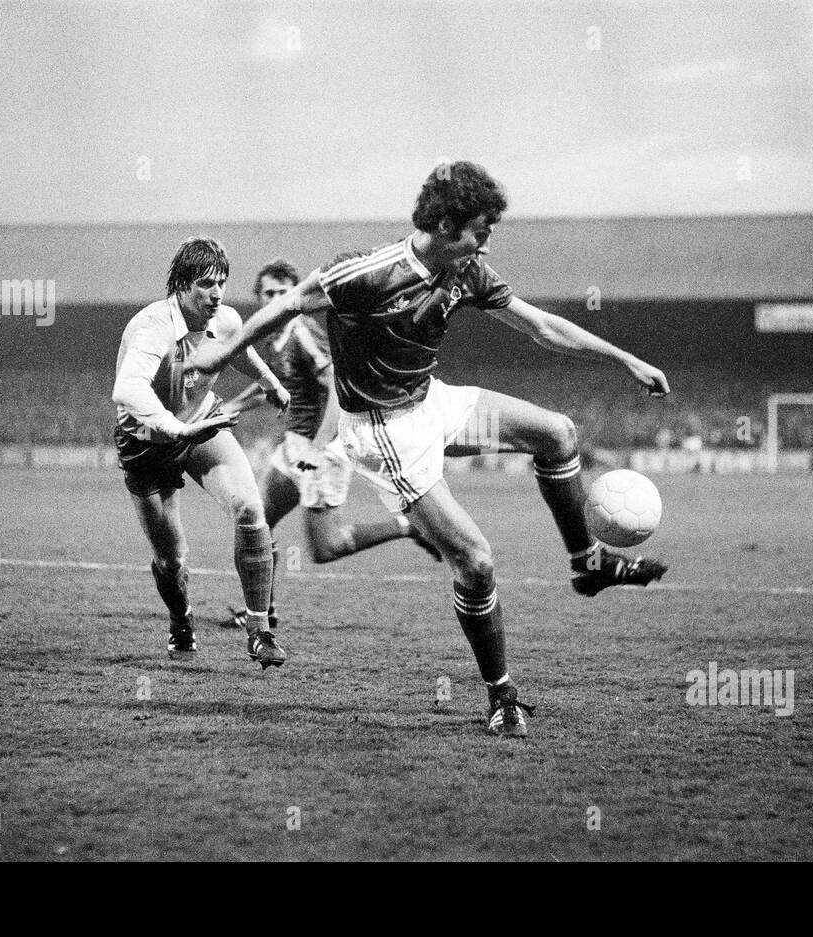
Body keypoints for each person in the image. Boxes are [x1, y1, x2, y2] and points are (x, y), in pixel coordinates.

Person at [191, 162, 671, 736]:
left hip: (431, 401)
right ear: (445, 223)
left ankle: (587, 563)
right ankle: (501, 695)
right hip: (384, 432)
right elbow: (291, 301)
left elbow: (540, 325)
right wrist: (220, 357)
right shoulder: (368, 271)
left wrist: (626, 359)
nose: (487, 242)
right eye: (481, 229)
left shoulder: (466, 270)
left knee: (558, 433)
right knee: (477, 560)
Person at [223, 259, 442, 629]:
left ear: (295, 294)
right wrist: (232, 406)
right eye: (269, 293)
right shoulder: (276, 337)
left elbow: (338, 387)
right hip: (293, 450)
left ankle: (410, 527)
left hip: (320, 451)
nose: (276, 297)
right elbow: (275, 386)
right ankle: (263, 610)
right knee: (255, 522)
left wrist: (319, 447)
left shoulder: (303, 331)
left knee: (328, 547)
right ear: (259, 298)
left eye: (283, 291)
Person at [111, 236, 291, 668]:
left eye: (222, 284)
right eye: (207, 285)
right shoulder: (153, 327)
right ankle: (181, 620)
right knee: (172, 561)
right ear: (181, 284)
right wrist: (177, 427)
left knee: (250, 508)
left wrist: (269, 381)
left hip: (202, 425)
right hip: (148, 445)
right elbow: (126, 389)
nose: (216, 295)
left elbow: (238, 349)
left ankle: (260, 631)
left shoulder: (224, 318)